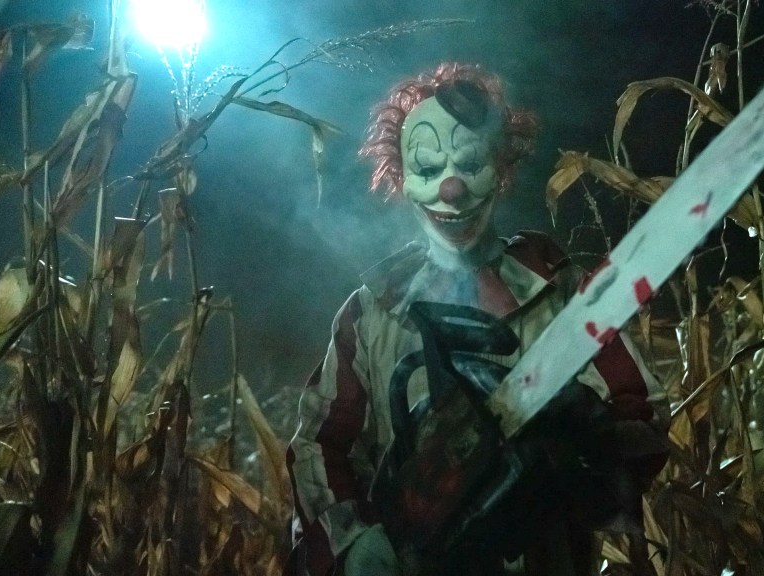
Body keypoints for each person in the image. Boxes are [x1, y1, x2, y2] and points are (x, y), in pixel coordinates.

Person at [286, 62, 668, 576]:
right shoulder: (370, 312)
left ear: (501, 165)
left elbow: (641, 411)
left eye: (469, 163)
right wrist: (355, 544)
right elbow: (321, 444)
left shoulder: (564, 294)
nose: (451, 189)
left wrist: (587, 441)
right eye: (428, 169)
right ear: (402, 178)